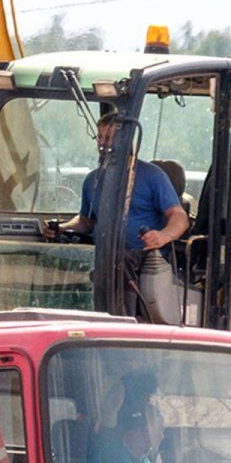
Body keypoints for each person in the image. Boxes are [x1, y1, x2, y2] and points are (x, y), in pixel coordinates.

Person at [44, 111, 190, 319]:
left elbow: (179, 216)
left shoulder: (152, 175)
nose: (103, 144)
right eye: (100, 138)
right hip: (104, 251)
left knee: (116, 261)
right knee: (61, 257)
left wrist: (163, 236)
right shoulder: (93, 180)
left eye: (109, 138)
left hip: (142, 253)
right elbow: (86, 221)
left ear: (126, 140)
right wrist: (63, 227)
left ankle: (121, 324)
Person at [89, 396, 166, 463]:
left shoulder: (145, 461)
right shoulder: (113, 459)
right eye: (160, 430)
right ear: (147, 431)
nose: (162, 436)